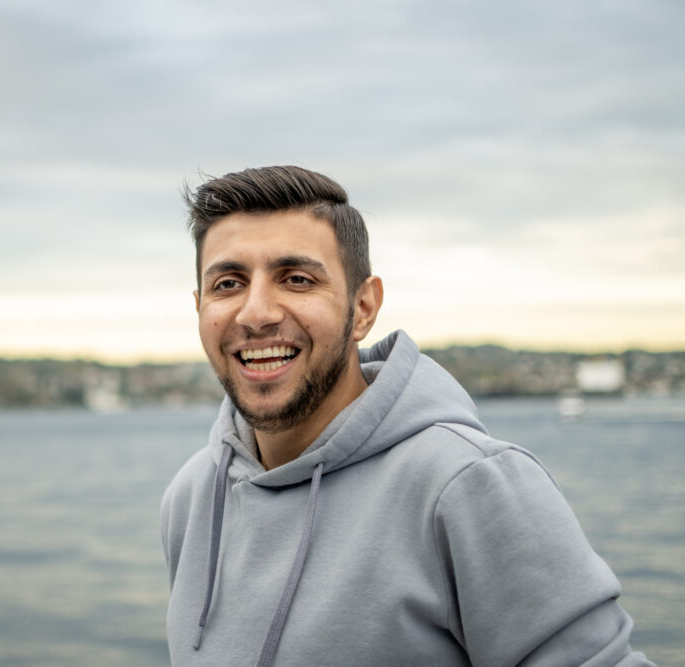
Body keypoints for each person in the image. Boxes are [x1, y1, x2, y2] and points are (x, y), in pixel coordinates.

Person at [160, 166, 653, 666]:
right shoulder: (193, 496)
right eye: (228, 283)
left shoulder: (466, 485)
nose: (256, 312)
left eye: (297, 279)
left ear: (364, 307)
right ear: (200, 307)